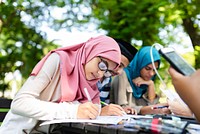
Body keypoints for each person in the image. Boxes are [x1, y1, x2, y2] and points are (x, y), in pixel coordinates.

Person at [0, 35, 122, 133]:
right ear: (91, 51)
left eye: (106, 71)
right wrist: (73, 111)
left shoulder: (89, 82)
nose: (100, 74)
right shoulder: (58, 61)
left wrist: (97, 112)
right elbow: (19, 103)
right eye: (102, 65)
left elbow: (87, 108)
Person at [110, 46, 171, 115]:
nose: (151, 74)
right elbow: (123, 108)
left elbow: (153, 106)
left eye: (155, 70)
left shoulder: (147, 81)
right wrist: (148, 110)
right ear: (139, 64)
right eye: (147, 68)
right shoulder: (122, 74)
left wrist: (151, 84)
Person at [98, 39, 138, 115]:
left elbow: (103, 105)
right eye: (119, 65)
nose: (119, 72)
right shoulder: (91, 75)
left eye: (123, 68)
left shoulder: (107, 79)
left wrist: (119, 110)